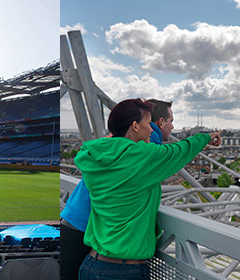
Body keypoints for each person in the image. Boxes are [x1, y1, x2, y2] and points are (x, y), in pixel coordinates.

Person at [76, 98, 220, 280]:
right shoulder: (143, 157)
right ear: (135, 126)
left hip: (91, 264)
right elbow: (180, 150)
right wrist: (206, 137)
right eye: (148, 123)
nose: (152, 129)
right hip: (123, 271)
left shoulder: (92, 155)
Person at [60, 99, 174, 280]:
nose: (173, 128)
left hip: (73, 220)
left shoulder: (116, 139)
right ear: (159, 122)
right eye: (171, 122)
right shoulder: (151, 139)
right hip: (89, 229)